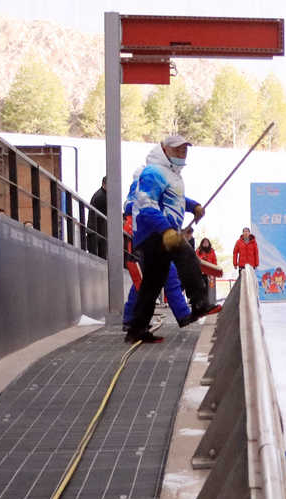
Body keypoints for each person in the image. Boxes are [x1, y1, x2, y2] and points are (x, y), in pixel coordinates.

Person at [125, 135, 219, 343]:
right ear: (165, 150)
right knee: (186, 254)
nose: (181, 154)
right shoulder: (154, 172)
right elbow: (146, 203)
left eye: (184, 150)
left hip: (158, 232)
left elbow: (174, 198)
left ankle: (137, 328)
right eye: (177, 150)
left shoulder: (171, 175)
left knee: (153, 281)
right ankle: (198, 301)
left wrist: (192, 206)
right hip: (155, 232)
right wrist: (166, 230)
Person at [121, 210, 191, 328]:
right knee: (146, 284)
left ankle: (131, 319)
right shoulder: (146, 204)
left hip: (150, 247)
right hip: (150, 249)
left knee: (143, 285)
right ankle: (183, 315)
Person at [87, 176, 108, 258]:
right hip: (98, 235)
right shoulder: (102, 197)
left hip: (95, 235)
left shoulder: (100, 195)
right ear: (104, 183)